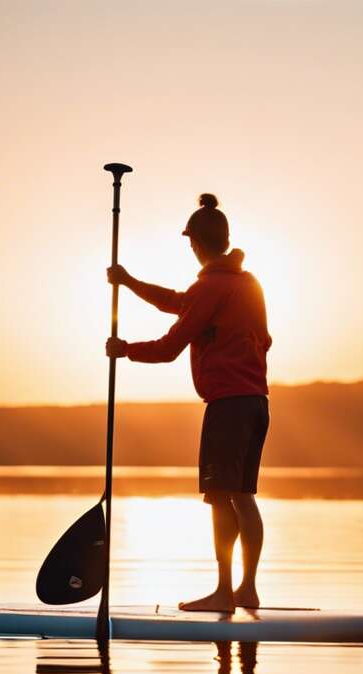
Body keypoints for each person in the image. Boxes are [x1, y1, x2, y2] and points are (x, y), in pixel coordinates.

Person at [105, 193, 272, 613]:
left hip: (227, 407)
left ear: (195, 243)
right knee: (243, 496)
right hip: (256, 403)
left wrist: (125, 350)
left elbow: (169, 348)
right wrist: (129, 282)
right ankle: (246, 589)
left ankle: (224, 592)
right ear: (225, 239)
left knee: (220, 497)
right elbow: (181, 304)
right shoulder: (247, 285)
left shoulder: (210, 287)